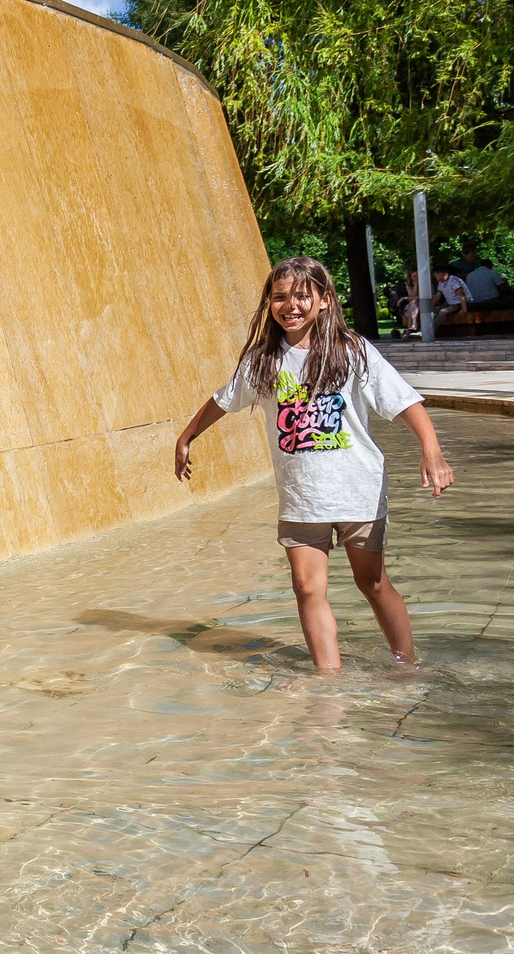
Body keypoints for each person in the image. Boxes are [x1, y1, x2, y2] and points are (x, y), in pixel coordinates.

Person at [173, 256, 455, 672]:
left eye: (302, 296)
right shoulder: (262, 359)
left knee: (372, 582)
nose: (291, 305)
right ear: (269, 303)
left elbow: (404, 401)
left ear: (324, 300)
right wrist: (186, 436)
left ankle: (406, 664)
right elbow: (222, 400)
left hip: (357, 488)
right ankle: (329, 679)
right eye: (280, 297)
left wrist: (431, 450)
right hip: (303, 496)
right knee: (307, 587)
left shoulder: (352, 350)